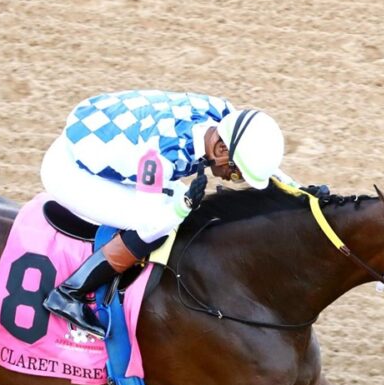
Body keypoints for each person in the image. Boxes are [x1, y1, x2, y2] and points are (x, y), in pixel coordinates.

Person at [40, 89, 294, 337]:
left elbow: (252, 145)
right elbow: (150, 226)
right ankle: (69, 294)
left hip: (106, 134)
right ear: (219, 151)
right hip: (69, 172)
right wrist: (183, 204)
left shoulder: (222, 115)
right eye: (236, 173)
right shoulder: (161, 156)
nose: (234, 178)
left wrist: (298, 190)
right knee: (157, 227)